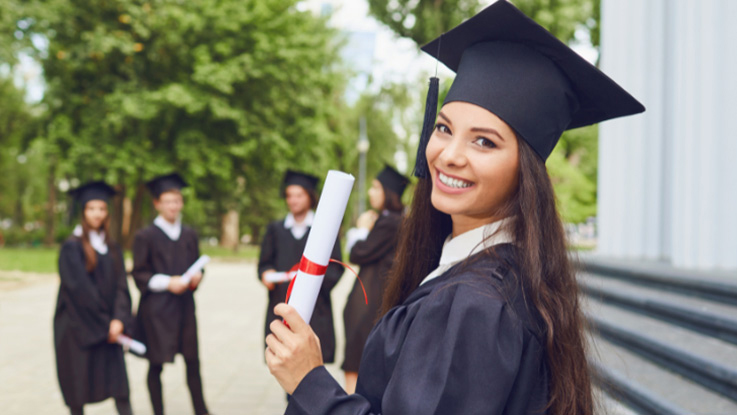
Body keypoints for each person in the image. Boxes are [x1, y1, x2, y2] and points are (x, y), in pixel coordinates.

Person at [264, 2, 645, 414]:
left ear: (527, 171)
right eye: (443, 128)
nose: (449, 155)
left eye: (484, 141)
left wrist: (310, 382)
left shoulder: (474, 305)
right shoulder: (509, 273)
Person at [131, 173, 210, 415]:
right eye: (167, 201)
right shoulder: (145, 236)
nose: (173, 206)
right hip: (157, 310)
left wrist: (197, 277)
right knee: (156, 364)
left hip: (185, 306)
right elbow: (139, 274)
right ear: (157, 203)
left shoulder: (189, 234)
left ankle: (201, 410)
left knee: (193, 361)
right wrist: (168, 282)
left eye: (176, 201)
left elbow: (199, 265)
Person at [54, 181, 134, 415]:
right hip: (78, 328)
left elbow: (122, 286)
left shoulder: (112, 246)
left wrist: (119, 319)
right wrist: (106, 324)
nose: (97, 214)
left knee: (121, 390)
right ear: (83, 212)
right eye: (91, 208)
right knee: (78, 392)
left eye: (101, 208)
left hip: (110, 327)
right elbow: (81, 291)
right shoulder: (71, 247)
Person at [258, 170, 344, 367]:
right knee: (284, 359)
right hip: (282, 303)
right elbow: (264, 263)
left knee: (312, 364)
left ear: (310, 197)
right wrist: (265, 275)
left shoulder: (324, 230)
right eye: (289, 195)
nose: (293, 200)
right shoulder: (275, 230)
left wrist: (311, 284)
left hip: (316, 307)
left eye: (298, 195)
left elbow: (336, 267)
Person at [341, 164, 408, 394]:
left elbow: (358, 253)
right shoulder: (394, 219)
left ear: (389, 192)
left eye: (376, 187)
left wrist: (362, 229)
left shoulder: (390, 221)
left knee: (354, 361)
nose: (371, 192)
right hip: (372, 298)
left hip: (369, 301)